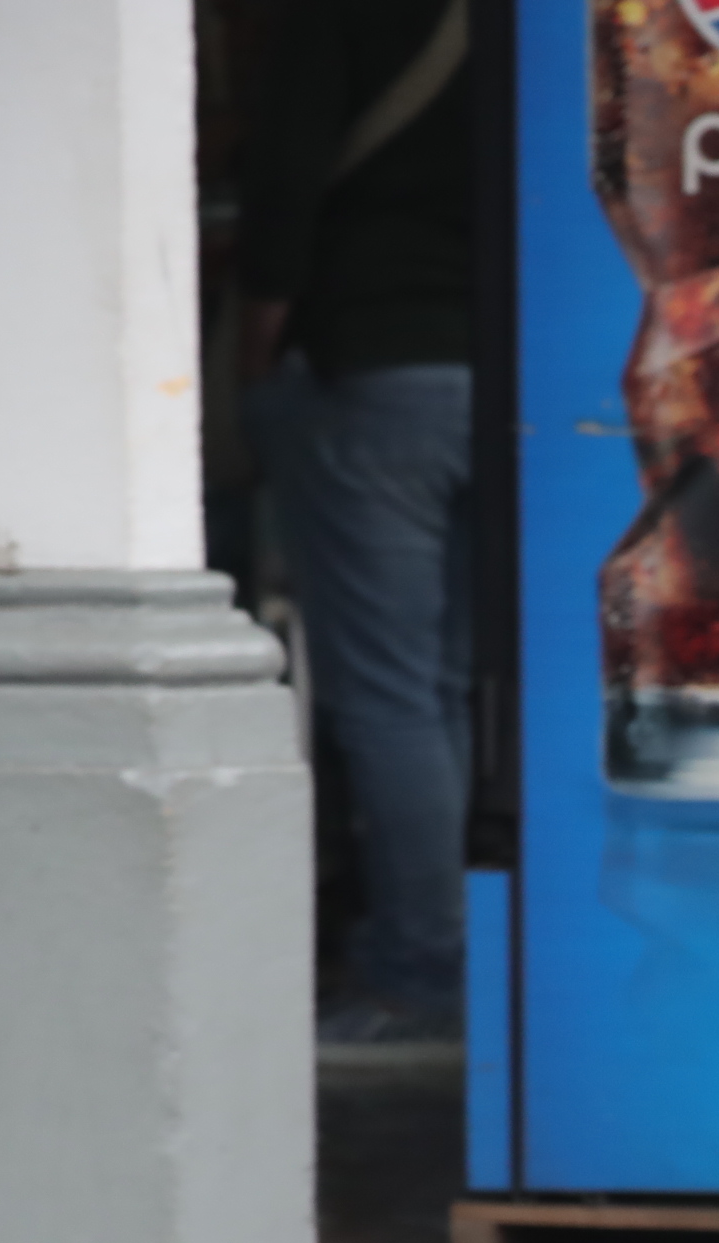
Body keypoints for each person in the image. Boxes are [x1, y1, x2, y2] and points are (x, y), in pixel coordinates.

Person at [238, 0, 477, 1045]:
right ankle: (465, 948)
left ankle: (421, 966)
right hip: (504, 372)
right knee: (445, 687)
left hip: (373, 367)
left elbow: (285, 182)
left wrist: (258, 336)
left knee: (385, 697)